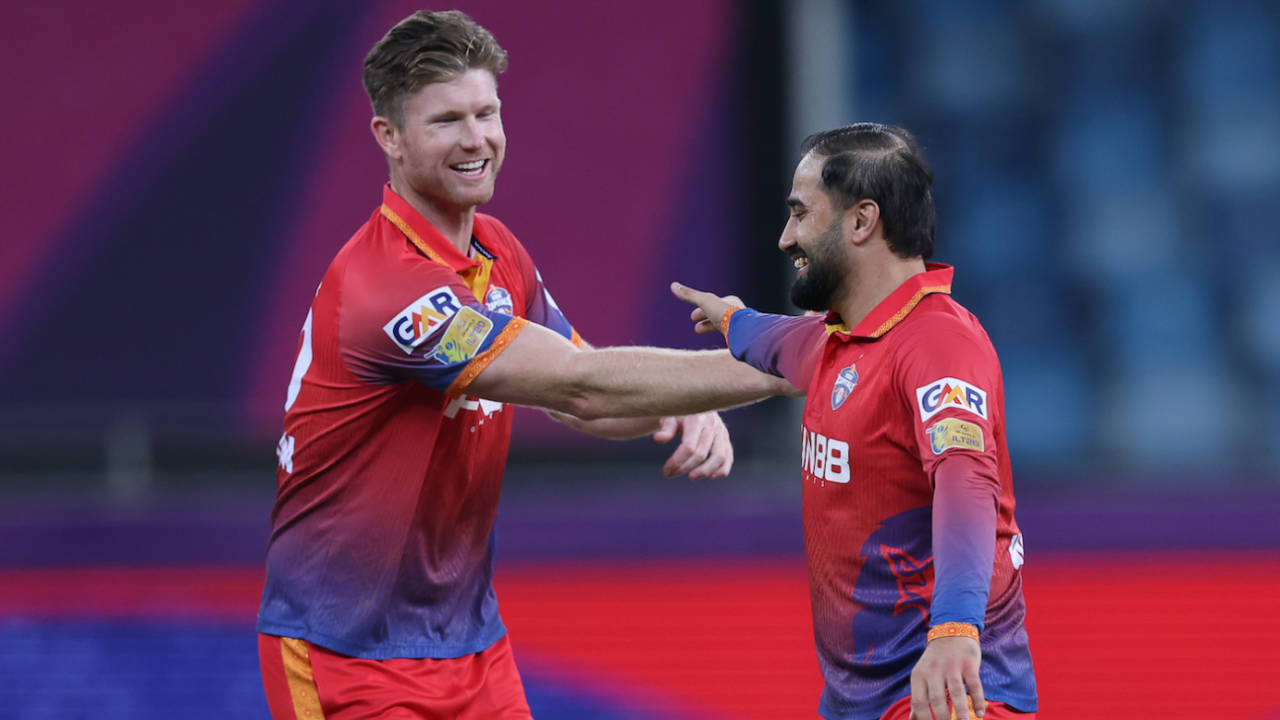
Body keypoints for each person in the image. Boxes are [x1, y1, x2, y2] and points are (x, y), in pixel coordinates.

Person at [255, 10, 794, 720]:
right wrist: (795, 356)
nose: (476, 139)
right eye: (446, 120)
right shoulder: (386, 288)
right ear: (388, 137)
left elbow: (588, 397)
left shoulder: (499, 251)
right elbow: (581, 382)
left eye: (487, 112)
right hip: (346, 655)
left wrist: (676, 404)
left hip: (472, 647)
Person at [669, 123, 1038, 720]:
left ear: (862, 221)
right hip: (860, 702)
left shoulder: (939, 345)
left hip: (947, 697)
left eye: (801, 213)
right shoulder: (841, 342)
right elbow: (775, 341)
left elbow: (967, 480)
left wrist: (954, 631)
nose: (787, 237)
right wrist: (735, 321)